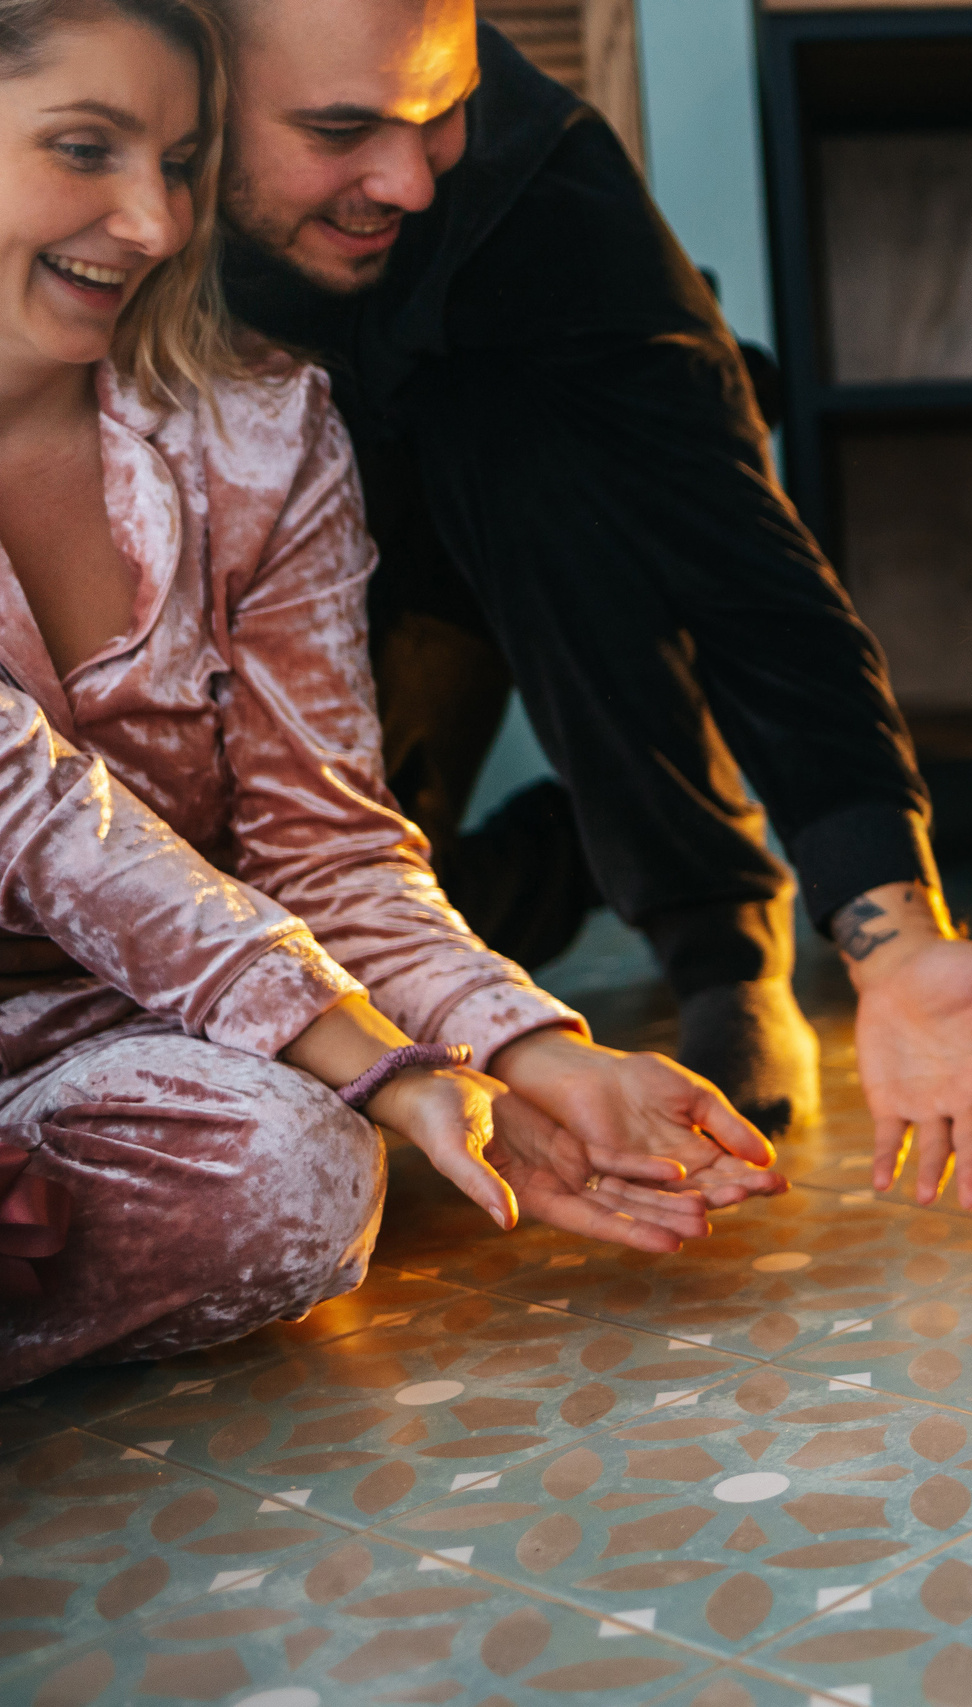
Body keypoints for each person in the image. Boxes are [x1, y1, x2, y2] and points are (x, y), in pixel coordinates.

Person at [0, 0, 785, 1387]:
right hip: (252, 1001)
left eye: (181, 164)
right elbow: (47, 819)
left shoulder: (259, 427)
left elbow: (330, 850)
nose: (152, 223)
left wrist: (531, 1053)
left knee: (303, 1177)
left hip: (129, 1034)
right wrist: (376, 1054)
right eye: (84, 148)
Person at [205, 0, 972, 1183]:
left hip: (520, 511)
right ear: (193, 89)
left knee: (532, 446)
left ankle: (721, 931)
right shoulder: (93, 171)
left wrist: (895, 936)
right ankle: (573, 844)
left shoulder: (542, 184)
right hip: (272, 586)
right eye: (341, 129)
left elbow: (744, 568)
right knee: (309, 970)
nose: (413, 181)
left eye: (446, 111)